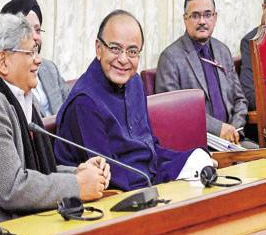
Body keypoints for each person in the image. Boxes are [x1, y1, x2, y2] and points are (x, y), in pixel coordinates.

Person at [0, 14, 109, 226]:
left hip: (24, 226)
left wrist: (81, 172)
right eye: (30, 52)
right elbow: (12, 187)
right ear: (3, 61)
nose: (38, 59)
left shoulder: (17, 97)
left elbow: (37, 170)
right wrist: (77, 185)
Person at [55, 10, 213, 191]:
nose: (123, 59)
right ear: (99, 48)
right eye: (115, 48)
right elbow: (108, 175)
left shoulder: (134, 82)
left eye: (132, 51)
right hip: (119, 192)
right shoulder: (85, 102)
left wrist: (191, 160)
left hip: (147, 177)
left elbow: (149, 147)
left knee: (201, 164)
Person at [156, 0, 253, 148]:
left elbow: (240, 100)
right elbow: (174, 112)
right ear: (185, 19)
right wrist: (218, 129)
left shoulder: (222, 51)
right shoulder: (170, 58)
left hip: (233, 141)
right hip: (197, 146)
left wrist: (234, 130)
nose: (202, 21)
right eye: (195, 15)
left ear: (215, 18)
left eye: (207, 15)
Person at [1, 0, 69, 116]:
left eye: (37, 30)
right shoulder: (6, 79)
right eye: (27, 30)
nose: (35, 37)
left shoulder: (49, 68)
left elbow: (71, 106)